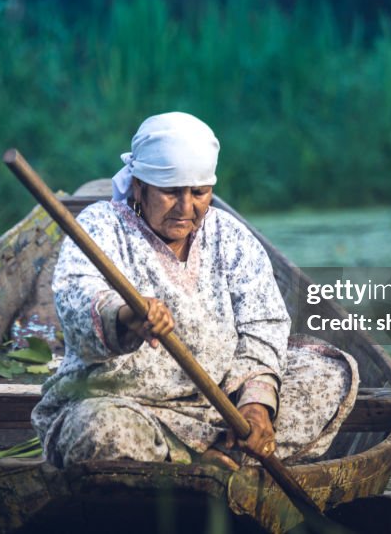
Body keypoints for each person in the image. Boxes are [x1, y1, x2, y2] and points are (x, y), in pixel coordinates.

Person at [32, 112, 358, 469]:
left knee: (330, 373)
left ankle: (221, 451)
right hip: (126, 407)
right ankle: (193, 459)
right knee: (101, 431)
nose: (187, 209)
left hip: (217, 410)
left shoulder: (230, 237)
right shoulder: (101, 226)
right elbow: (76, 294)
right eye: (171, 193)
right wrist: (126, 315)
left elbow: (262, 326)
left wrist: (255, 405)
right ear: (140, 186)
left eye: (199, 193)